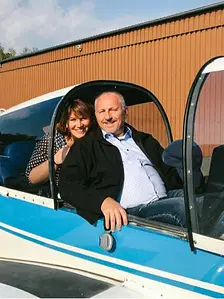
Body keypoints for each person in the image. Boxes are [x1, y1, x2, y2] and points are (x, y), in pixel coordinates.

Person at [59, 91, 185, 231]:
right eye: (102, 111)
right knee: (182, 208)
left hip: (167, 196)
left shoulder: (144, 140)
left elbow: (170, 172)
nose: (107, 117)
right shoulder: (86, 147)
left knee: (206, 202)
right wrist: (102, 201)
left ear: (125, 111)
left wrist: (188, 172)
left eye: (113, 110)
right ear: (96, 115)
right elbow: (68, 185)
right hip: (136, 212)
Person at [25, 99, 95, 187]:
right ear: (66, 123)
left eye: (83, 118)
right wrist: (56, 160)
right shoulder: (52, 140)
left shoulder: (95, 139)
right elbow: (31, 178)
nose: (79, 125)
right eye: (73, 119)